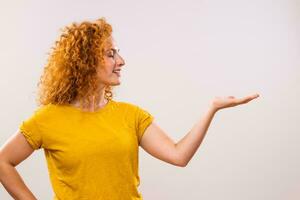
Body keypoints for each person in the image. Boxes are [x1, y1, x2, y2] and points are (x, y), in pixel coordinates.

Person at [0, 17, 260, 200]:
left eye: (117, 53)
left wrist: (211, 108)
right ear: (85, 61)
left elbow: (178, 156)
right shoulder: (48, 119)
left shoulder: (131, 115)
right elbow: (3, 161)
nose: (121, 61)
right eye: (110, 53)